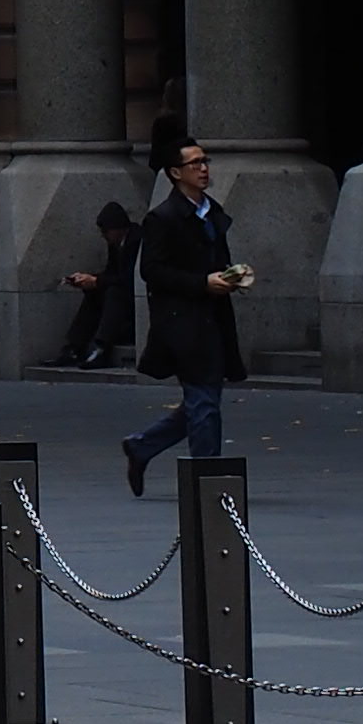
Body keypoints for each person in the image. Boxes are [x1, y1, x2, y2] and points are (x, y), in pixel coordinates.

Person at [126, 137, 258, 490]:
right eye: (194, 164)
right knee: (204, 401)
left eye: (205, 161)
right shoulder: (162, 218)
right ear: (174, 173)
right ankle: (206, 480)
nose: (203, 169)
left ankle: (142, 446)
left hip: (213, 318)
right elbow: (151, 271)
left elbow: (215, 259)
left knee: (204, 400)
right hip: (181, 322)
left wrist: (231, 276)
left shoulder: (210, 211)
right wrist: (202, 283)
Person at [58, 199, 143, 368]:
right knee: (95, 293)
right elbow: (112, 273)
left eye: (106, 231)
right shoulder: (115, 244)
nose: (103, 235)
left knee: (113, 292)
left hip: (135, 298)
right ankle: (75, 346)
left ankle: (102, 347)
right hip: (123, 293)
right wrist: (89, 280)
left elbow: (129, 278)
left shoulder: (136, 240)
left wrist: (97, 281)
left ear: (118, 229)